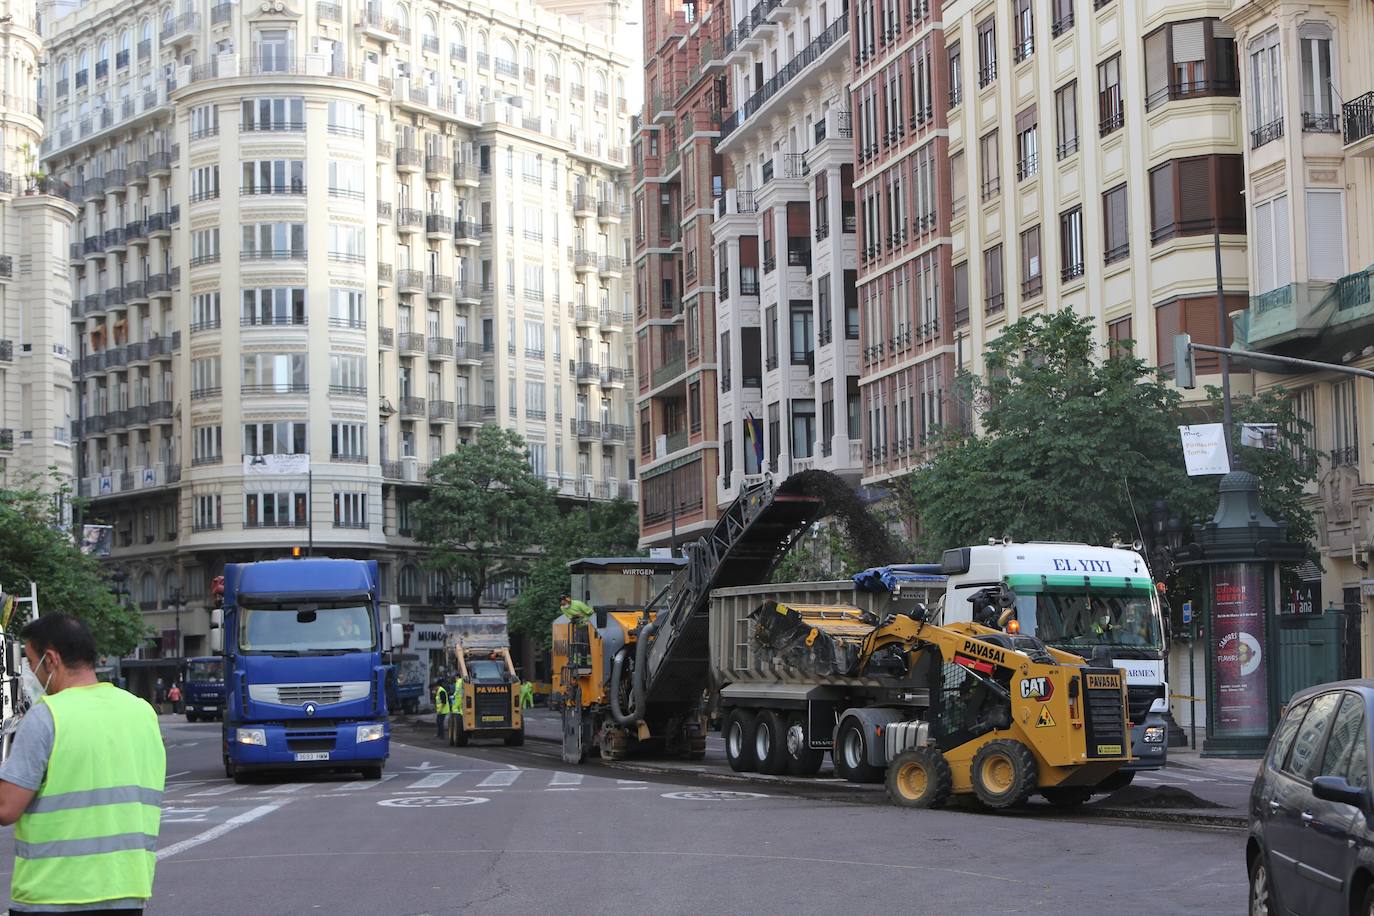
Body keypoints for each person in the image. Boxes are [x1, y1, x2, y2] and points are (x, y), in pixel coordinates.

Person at [0, 613, 165, 914]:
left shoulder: (46, 715)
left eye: (29, 662)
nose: (30, 674)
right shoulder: (142, 713)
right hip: (126, 891)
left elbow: (6, 808)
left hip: (52, 894)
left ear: (51, 659)